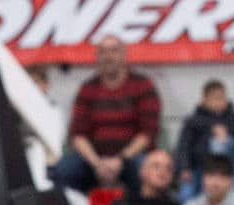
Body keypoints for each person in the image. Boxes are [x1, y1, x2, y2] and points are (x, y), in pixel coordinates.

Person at [51, 36, 161, 194]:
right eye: (103, 52)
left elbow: (148, 133)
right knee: (63, 169)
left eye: (113, 51)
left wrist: (120, 160)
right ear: (97, 57)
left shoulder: (143, 85)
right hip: (94, 159)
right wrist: (97, 163)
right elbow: (78, 135)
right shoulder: (87, 89)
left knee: (145, 169)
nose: (108, 56)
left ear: (124, 55)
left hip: (132, 156)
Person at [175, 79, 234, 200]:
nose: (220, 102)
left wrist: (226, 132)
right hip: (197, 166)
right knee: (186, 194)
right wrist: (184, 167)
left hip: (229, 166)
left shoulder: (233, 117)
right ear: (204, 100)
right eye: (215, 98)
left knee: (218, 143)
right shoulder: (193, 120)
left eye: (222, 97)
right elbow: (184, 145)